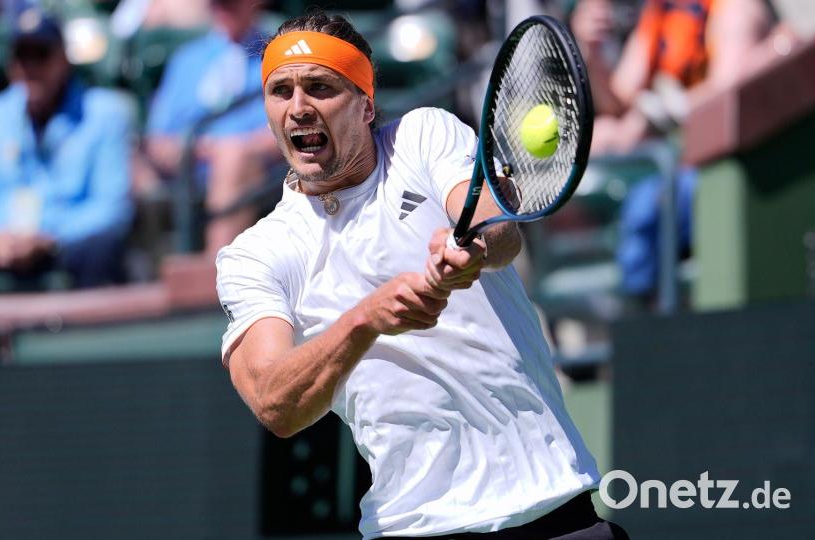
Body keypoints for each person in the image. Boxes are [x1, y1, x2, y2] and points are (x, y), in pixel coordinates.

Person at [216, 12, 628, 540]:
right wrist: (365, 320)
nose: (298, 107)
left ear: (366, 104)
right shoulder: (254, 255)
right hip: (417, 527)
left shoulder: (423, 134)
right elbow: (275, 403)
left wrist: (472, 247)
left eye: (320, 87)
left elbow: (498, 230)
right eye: (281, 91)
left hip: (553, 506)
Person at [570, 0, 778, 299]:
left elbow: (725, 103)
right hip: (674, 164)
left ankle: (645, 316)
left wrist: (655, 116)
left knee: (645, 210)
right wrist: (591, 53)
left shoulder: (736, 9)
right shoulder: (661, 11)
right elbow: (618, 104)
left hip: (726, 173)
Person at [0, 7, 134, 290]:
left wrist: (50, 236)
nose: (31, 68)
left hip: (63, 245)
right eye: (22, 56)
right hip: (0, 244)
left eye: (41, 54)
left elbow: (112, 206)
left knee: (103, 249)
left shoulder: (103, 115)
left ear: (63, 59)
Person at [137, 0, 280, 258]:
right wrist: (193, 149)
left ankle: (216, 267)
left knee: (232, 156)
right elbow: (158, 137)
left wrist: (230, 149)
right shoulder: (188, 59)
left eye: (232, 4)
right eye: (218, 4)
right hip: (189, 163)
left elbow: (285, 127)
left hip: (256, 166)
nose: (224, 10)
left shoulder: (277, 54)